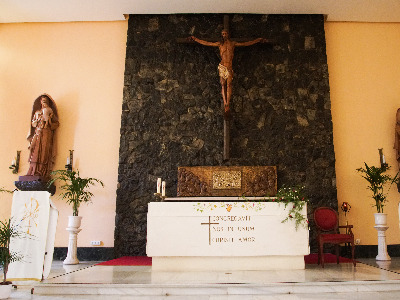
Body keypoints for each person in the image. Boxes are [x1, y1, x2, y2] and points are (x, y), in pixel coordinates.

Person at [190, 30, 267, 116]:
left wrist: (257, 40)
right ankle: (225, 102)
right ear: (221, 35)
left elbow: (245, 44)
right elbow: (207, 43)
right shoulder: (220, 44)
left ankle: (228, 104)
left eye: (225, 33)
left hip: (229, 67)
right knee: (223, 85)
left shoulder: (232, 43)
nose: (224, 35)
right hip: (222, 66)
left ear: (228, 34)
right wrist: (196, 39)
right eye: (223, 34)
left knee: (229, 85)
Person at [26, 94, 59, 179]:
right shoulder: (37, 113)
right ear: (40, 102)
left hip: (46, 133)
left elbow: (57, 124)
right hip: (38, 133)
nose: (44, 102)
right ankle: (32, 171)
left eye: (45, 101)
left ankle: (42, 171)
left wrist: (50, 120)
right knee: (35, 151)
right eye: (42, 101)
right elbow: (33, 124)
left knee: (44, 152)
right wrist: (37, 120)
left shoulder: (50, 111)